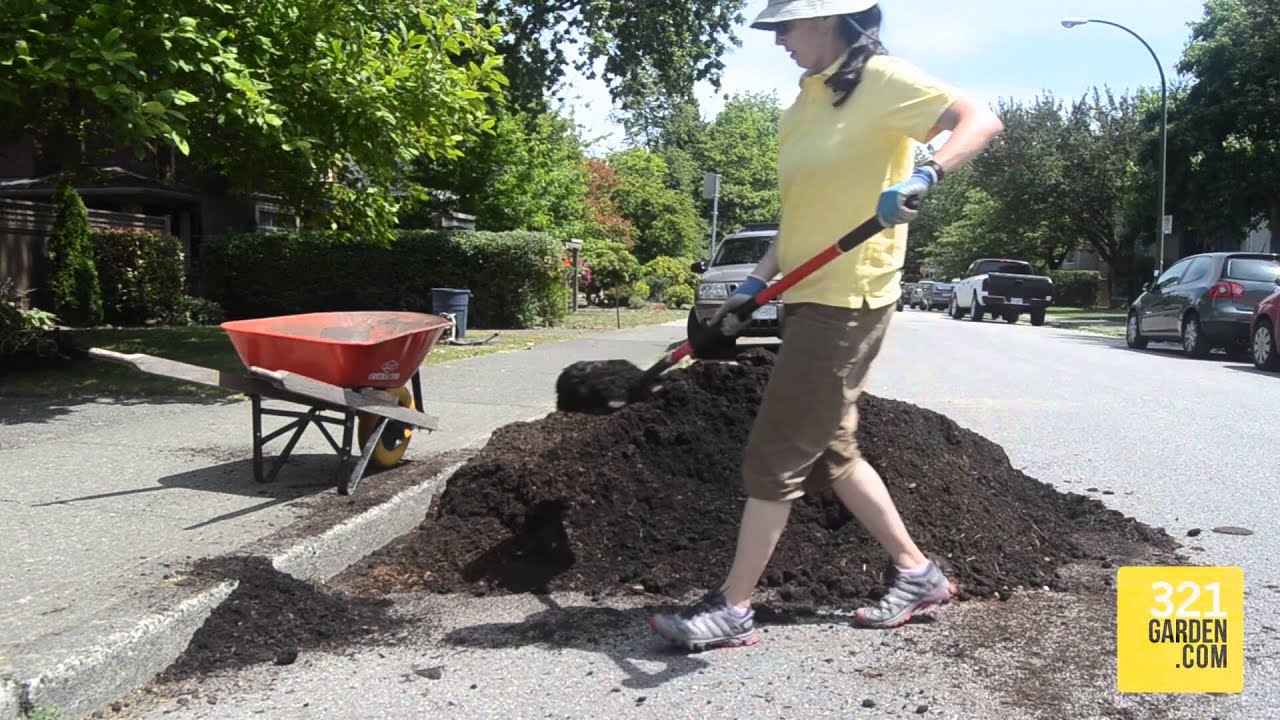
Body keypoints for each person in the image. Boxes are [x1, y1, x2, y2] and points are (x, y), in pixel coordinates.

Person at [649, 0, 1004, 650]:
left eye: (787, 25)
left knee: (776, 452)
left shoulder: (883, 81)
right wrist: (754, 286)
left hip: (851, 297)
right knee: (834, 453)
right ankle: (918, 573)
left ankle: (732, 607)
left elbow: (980, 119)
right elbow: (799, 217)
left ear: (831, 20)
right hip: (805, 296)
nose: (778, 38)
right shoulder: (801, 109)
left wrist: (928, 171)